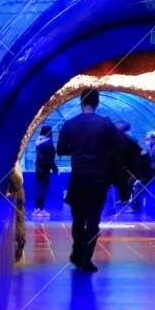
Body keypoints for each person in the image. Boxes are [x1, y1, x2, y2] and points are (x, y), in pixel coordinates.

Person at [55, 90, 135, 272]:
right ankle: (86, 258)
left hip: (78, 177)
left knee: (78, 218)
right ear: (97, 103)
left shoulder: (69, 124)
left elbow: (60, 149)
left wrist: (77, 151)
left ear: (80, 102)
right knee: (93, 218)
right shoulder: (105, 123)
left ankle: (77, 253)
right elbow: (120, 146)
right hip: (99, 178)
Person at [32, 125, 57, 217]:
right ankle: (41, 209)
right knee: (43, 189)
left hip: (38, 169)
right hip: (45, 170)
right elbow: (50, 160)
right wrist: (55, 169)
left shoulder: (38, 142)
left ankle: (36, 209)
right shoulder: (49, 144)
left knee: (38, 188)